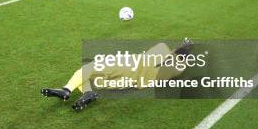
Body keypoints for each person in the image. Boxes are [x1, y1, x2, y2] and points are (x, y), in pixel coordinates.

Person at [41, 39, 193, 111]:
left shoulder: (162, 47)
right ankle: (88, 94)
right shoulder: (178, 69)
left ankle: (67, 90)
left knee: (87, 68)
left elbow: (169, 53)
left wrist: (180, 49)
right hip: (129, 83)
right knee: (93, 80)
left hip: (127, 65)